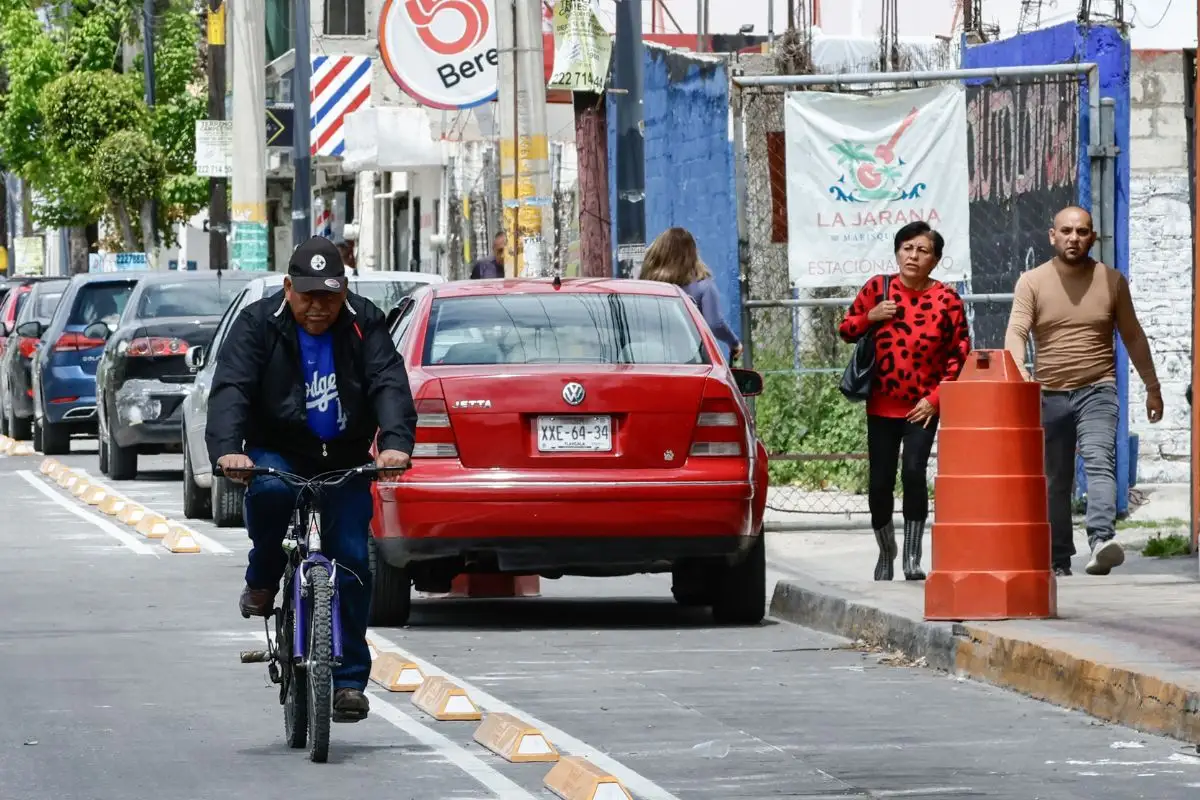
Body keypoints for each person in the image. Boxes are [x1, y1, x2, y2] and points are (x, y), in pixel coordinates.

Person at [205, 236, 417, 721]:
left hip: (343, 454)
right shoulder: (258, 324)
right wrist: (228, 451)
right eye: (307, 295)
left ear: (344, 290)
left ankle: (347, 683)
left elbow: (388, 381)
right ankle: (262, 576)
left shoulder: (365, 322)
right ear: (287, 288)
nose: (318, 307)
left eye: (329, 295)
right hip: (279, 448)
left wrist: (395, 443)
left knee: (351, 557)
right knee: (273, 490)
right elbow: (232, 387)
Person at [1004, 206, 1162, 578]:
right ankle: (1059, 558)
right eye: (1067, 231)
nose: (1074, 238)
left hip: (1098, 387)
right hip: (1049, 392)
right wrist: (1020, 369)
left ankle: (1101, 540)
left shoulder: (1111, 281)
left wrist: (1152, 387)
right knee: (1056, 477)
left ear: (1092, 237)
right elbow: (1016, 331)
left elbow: (1133, 336)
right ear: (1052, 236)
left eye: (1082, 231)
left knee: (1099, 461)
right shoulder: (1032, 281)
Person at [839, 221, 970, 582]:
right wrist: (870, 317)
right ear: (897, 252)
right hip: (881, 404)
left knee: (913, 473)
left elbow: (960, 354)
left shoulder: (947, 300)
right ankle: (886, 552)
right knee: (880, 482)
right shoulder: (878, 289)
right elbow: (845, 329)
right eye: (907, 248)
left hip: (923, 406)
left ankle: (913, 556)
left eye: (922, 250)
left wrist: (937, 398)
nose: (913, 256)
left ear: (936, 259)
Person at [639, 227, 743, 360]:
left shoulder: (645, 286)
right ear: (692, 255)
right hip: (688, 359)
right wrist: (734, 343)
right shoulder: (703, 286)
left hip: (647, 357)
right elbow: (715, 323)